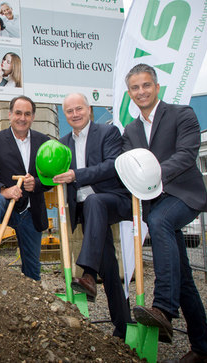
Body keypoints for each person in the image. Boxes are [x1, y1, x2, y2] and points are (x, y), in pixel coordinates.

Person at [122, 63, 207, 362]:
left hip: (184, 195)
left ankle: (163, 307)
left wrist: (153, 175)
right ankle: (203, 350)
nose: (141, 92)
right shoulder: (131, 131)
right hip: (156, 203)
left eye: (146, 85)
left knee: (160, 220)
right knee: (183, 278)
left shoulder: (181, 114)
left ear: (156, 87)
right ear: (129, 93)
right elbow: (127, 168)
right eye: (135, 88)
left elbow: (187, 155)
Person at [51, 93, 132, 339]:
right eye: (69, 111)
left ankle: (87, 273)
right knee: (108, 265)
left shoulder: (108, 133)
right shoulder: (62, 143)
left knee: (95, 200)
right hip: (86, 210)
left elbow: (112, 165)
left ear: (89, 109)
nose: (75, 114)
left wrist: (77, 175)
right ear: (64, 114)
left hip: (111, 200)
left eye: (79, 109)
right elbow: (54, 174)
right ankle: (123, 325)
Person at [0, 96, 51, 281]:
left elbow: (52, 178)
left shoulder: (44, 141)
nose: (22, 118)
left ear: (32, 117)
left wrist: (37, 184)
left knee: (32, 272)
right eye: (18, 113)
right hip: (5, 205)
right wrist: (2, 190)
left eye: (27, 114)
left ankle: (32, 302)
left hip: (32, 211)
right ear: (10, 115)